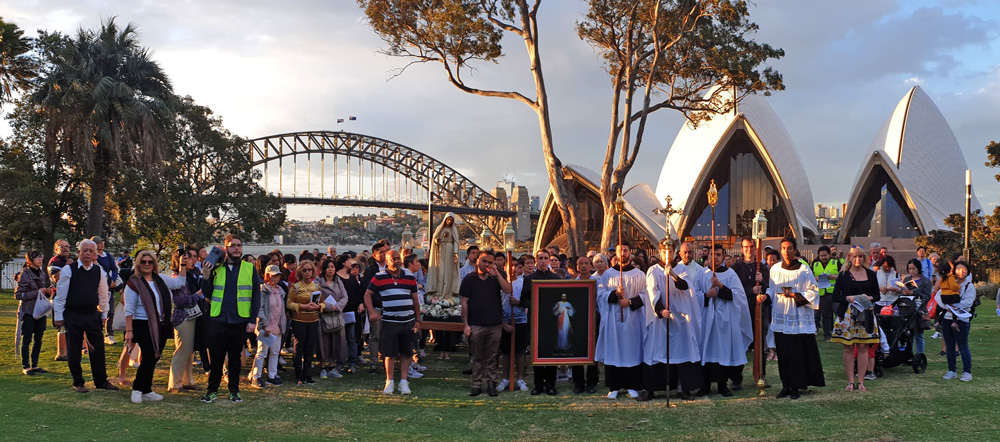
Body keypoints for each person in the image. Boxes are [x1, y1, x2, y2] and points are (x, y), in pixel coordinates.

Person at [199, 234, 262, 403]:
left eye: (239, 245)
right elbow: (207, 293)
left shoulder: (250, 269)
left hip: (239, 320)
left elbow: (256, 296)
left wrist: (252, 320)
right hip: (218, 319)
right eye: (232, 245)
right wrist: (206, 275)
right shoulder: (216, 267)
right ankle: (211, 391)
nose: (236, 248)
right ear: (225, 248)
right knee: (217, 358)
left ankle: (234, 391)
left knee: (235, 359)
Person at [759, 237, 824, 399]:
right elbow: (772, 290)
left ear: (794, 250)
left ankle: (795, 386)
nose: (786, 251)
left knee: (796, 355)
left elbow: (814, 292)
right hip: (781, 317)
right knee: (783, 355)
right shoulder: (775, 270)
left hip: (797, 319)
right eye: (783, 248)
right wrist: (765, 297)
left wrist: (795, 295)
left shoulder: (803, 270)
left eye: (789, 248)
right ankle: (785, 385)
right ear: (780, 250)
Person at [53, 239, 119, 393]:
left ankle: (101, 381)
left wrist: (104, 313)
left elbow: (104, 294)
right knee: (74, 350)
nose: (88, 254)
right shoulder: (69, 270)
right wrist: (58, 316)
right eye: (85, 251)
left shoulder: (99, 271)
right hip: (73, 315)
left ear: (95, 253)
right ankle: (78, 382)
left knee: (98, 349)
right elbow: (60, 296)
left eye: (91, 251)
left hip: (92, 315)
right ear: (79, 253)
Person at [640, 240, 701, 401]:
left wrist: (672, 274)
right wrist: (660, 310)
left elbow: (684, 286)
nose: (667, 254)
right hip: (661, 318)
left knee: (681, 351)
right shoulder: (653, 270)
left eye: (670, 251)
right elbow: (651, 292)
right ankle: (650, 389)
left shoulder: (682, 269)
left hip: (679, 317)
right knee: (656, 350)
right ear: (660, 252)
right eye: (664, 251)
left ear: (674, 252)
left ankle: (683, 388)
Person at [123, 250, 187, 403]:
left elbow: (180, 282)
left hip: (161, 324)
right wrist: (129, 330)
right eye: (143, 262)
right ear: (138, 264)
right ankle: (138, 388)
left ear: (154, 264)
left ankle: (146, 389)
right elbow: (129, 308)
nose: (146, 264)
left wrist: (183, 264)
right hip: (142, 323)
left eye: (150, 262)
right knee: (149, 356)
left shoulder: (160, 279)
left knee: (155, 357)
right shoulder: (134, 282)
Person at [699, 244, 753, 397]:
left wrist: (721, 286)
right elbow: (693, 296)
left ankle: (722, 385)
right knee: (707, 351)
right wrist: (706, 295)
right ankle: (705, 385)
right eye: (712, 254)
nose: (714, 257)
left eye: (718, 254)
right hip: (706, 318)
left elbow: (739, 296)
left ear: (723, 256)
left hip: (725, 319)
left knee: (722, 352)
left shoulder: (730, 274)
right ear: (707, 256)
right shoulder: (701, 274)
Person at [365, 249, 421, 395]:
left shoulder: (409, 276)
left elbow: (415, 299)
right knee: (389, 353)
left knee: (406, 352)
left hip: (408, 320)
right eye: (393, 259)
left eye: (398, 258)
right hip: (390, 321)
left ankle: (404, 382)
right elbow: (367, 295)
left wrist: (418, 320)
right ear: (387, 261)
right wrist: (371, 311)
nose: (397, 261)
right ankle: (389, 381)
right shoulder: (379, 277)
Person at [597, 242, 646, 399]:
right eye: (620, 251)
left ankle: (633, 386)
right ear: (615, 254)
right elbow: (600, 295)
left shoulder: (639, 275)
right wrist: (614, 294)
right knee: (614, 350)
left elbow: (646, 295)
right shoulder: (608, 274)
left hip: (633, 320)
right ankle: (614, 386)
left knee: (632, 350)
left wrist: (630, 302)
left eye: (625, 250)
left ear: (630, 253)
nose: (623, 253)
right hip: (613, 319)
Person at [460, 252, 512, 397]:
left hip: (494, 323)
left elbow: (508, 290)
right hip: (476, 323)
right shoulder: (469, 279)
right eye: (484, 261)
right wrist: (466, 325)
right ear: (478, 262)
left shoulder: (496, 278)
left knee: (492, 356)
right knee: (477, 356)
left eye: (490, 262)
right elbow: (464, 302)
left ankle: (491, 383)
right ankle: (476, 383)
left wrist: (498, 275)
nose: (487, 265)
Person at [830, 247, 880, 393]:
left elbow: (877, 295)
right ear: (849, 258)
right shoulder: (844, 275)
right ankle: (850, 381)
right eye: (854, 257)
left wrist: (868, 298)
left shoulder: (871, 274)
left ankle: (861, 381)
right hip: (847, 314)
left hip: (865, 314)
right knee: (848, 347)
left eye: (860, 256)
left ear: (864, 258)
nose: (857, 259)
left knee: (863, 347)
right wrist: (848, 298)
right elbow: (835, 296)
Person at [520, 249, 561, 395]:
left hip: (552, 321)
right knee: (536, 352)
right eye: (540, 258)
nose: (543, 261)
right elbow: (523, 300)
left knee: (551, 353)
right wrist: (535, 303)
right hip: (535, 320)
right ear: (537, 260)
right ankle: (538, 385)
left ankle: (551, 384)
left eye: (545, 258)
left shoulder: (556, 278)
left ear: (549, 260)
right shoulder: (529, 278)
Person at [730, 237, 770, 383]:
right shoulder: (735, 268)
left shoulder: (762, 267)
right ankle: (736, 379)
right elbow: (734, 289)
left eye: (751, 247)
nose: (749, 250)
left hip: (758, 309)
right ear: (742, 248)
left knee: (760, 345)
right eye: (746, 247)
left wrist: (762, 280)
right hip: (741, 310)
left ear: (755, 248)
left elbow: (768, 289)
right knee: (739, 344)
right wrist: (750, 290)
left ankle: (760, 375)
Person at [167, 249, 203, 393]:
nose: (192, 260)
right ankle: (174, 383)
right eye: (188, 258)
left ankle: (187, 380)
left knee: (189, 352)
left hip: (191, 316)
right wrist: (200, 293)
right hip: (183, 317)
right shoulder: (177, 277)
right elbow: (182, 300)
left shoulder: (191, 276)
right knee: (182, 350)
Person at [15, 251, 53, 376]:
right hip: (28, 311)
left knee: (39, 338)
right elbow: (18, 295)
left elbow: (41, 292)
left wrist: (47, 292)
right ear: (29, 260)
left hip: (40, 311)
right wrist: (37, 292)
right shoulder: (25, 274)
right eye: (36, 257)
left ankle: (35, 364)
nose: (40, 259)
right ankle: (25, 366)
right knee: (26, 339)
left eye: (40, 257)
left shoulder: (42, 273)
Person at [936, 261, 974, 382]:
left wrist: (954, 306)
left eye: (964, 269)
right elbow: (938, 296)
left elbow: (968, 302)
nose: (961, 272)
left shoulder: (969, 286)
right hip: (947, 318)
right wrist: (947, 306)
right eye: (958, 269)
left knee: (963, 346)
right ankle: (951, 370)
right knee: (950, 346)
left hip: (962, 318)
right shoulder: (948, 281)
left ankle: (967, 372)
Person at [286, 260, 323, 385]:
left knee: (309, 349)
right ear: (300, 272)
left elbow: (322, 302)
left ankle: (308, 375)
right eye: (305, 270)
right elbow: (289, 303)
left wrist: (318, 307)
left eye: (310, 270)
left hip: (313, 320)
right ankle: (299, 376)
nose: (307, 272)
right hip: (299, 320)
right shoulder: (295, 287)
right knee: (299, 348)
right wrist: (302, 306)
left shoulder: (316, 287)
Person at [501, 254, 533, 392]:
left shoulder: (523, 282)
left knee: (520, 351)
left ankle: (520, 378)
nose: (513, 269)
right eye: (511, 265)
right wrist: (503, 323)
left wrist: (519, 303)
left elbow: (528, 301)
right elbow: (497, 303)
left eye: (516, 266)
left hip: (520, 320)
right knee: (506, 352)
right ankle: (505, 378)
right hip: (505, 321)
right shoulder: (501, 282)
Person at [251, 265, 286, 388]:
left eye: (277, 275)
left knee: (275, 352)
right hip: (266, 326)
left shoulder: (280, 290)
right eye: (273, 275)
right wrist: (263, 325)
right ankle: (256, 376)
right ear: (267, 276)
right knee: (262, 352)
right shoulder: (262, 290)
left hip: (277, 326)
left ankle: (272, 375)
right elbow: (259, 308)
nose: (276, 278)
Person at [571, 256, 600, 394]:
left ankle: (592, 383)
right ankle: (578, 383)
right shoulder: (571, 284)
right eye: (580, 263)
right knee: (577, 351)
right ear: (577, 267)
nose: (583, 266)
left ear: (591, 266)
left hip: (594, 320)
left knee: (593, 352)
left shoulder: (598, 282)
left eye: (586, 263)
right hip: (577, 322)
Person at [317, 258, 348, 379]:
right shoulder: (318, 282)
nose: (330, 270)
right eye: (328, 267)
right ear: (324, 269)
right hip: (324, 317)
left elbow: (345, 297)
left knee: (336, 342)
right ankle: (322, 367)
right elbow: (316, 298)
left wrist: (337, 306)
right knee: (323, 342)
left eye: (332, 267)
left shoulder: (338, 281)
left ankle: (332, 366)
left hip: (336, 316)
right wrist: (328, 307)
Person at [361, 241, 389, 370]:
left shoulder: (391, 268)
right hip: (376, 306)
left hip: (389, 307)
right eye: (380, 252)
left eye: (385, 251)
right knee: (375, 336)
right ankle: (374, 363)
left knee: (387, 335)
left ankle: (387, 360)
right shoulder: (370, 270)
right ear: (374, 255)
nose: (384, 254)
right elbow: (366, 290)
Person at [337, 256, 364, 373]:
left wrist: (361, 303)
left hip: (352, 312)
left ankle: (352, 362)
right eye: (349, 261)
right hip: (339, 312)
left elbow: (359, 293)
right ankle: (339, 362)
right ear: (343, 263)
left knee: (352, 338)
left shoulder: (352, 278)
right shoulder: (336, 278)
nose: (351, 263)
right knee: (340, 339)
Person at [92, 236, 120, 345]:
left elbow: (114, 268)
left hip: (109, 288)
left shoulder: (107, 256)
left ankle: (109, 334)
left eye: (102, 242)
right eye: (99, 243)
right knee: (98, 312)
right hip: (97, 289)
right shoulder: (94, 257)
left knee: (110, 312)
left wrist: (113, 280)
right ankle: (97, 333)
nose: (102, 244)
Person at [901, 258, 932, 355]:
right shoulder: (907, 280)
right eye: (910, 269)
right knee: (908, 335)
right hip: (908, 309)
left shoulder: (925, 281)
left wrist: (914, 292)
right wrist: (904, 292)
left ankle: (919, 355)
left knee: (919, 335)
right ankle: (909, 355)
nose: (912, 271)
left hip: (919, 310)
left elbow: (927, 296)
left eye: (914, 269)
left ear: (918, 268)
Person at [49, 238, 73, 362]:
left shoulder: (70, 260)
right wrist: (67, 266)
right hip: (58, 297)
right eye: (62, 246)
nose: (65, 249)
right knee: (61, 326)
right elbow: (56, 278)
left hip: (69, 298)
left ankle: (69, 351)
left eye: (67, 246)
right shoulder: (55, 262)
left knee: (69, 325)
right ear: (56, 249)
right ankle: (61, 353)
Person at [811, 246, 840, 342]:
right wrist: (815, 279)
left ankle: (840, 334)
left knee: (839, 314)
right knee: (826, 316)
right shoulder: (815, 264)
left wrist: (834, 277)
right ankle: (827, 336)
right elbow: (810, 277)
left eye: (825, 255)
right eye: (821, 256)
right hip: (822, 293)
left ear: (829, 254)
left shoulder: (836, 263)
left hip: (835, 293)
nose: (823, 257)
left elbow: (844, 276)